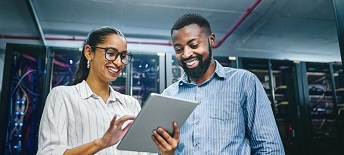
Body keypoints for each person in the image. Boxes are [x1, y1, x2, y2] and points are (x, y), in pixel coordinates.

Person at [37, 26, 179, 155]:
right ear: (89, 52)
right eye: (110, 53)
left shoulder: (131, 104)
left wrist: (167, 152)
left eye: (123, 56)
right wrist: (101, 143)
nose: (118, 62)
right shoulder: (63, 96)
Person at [161, 13, 285, 154]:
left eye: (194, 45)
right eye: (179, 49)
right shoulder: (169, 95)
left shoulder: (244, 82)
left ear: (211, 40)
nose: (186, 54)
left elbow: (269, 148)